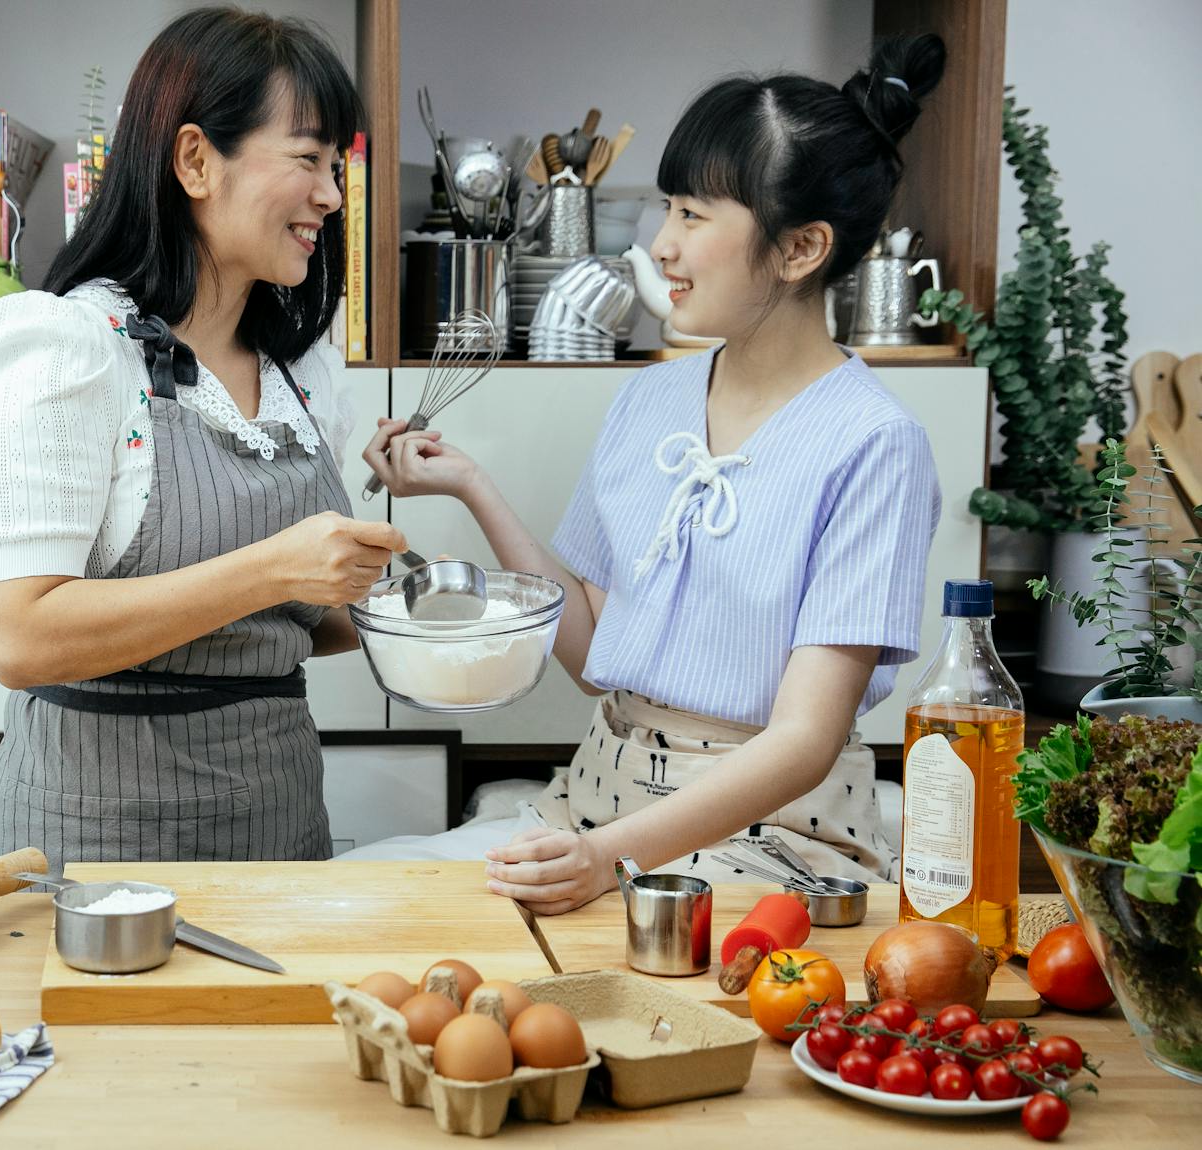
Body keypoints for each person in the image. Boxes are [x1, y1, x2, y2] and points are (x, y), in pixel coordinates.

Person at [349, 35, 949, 915]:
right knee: (383, 904)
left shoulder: (874, 444)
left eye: (695, 216)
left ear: (801, 248)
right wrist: (470, 483)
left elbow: (804, 740)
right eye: (668, 207)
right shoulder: (651, 399)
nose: (660, 244)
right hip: (597, 797)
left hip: (777, 837)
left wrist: (603, 861)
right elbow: (595, 660)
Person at [0, 8, 403, 872]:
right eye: (308, 159)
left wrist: (407, 613)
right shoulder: (71, 350)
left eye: (335, 167)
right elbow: (21, 638)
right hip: (90, 854)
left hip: (278, 835)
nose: (332, 197)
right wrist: (277, 565)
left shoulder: (303, 375)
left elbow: (301, 624)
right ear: (196, 159)